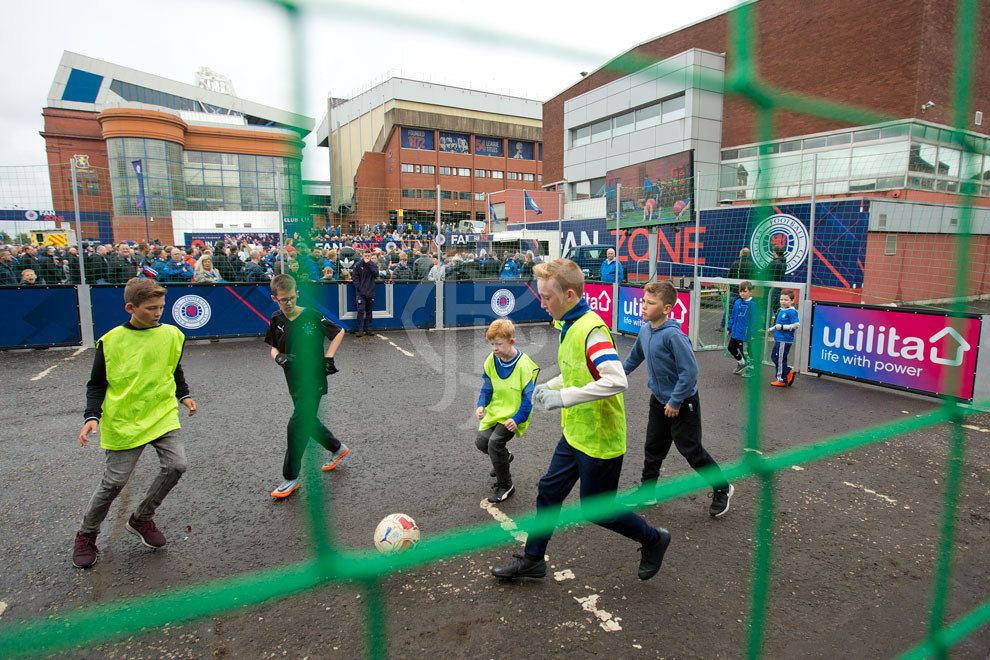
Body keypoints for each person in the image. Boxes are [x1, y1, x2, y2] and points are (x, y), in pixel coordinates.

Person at [492, 259, 671, 582]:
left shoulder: (591, 330)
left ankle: (654, 539)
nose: (542, 303)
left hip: (600, 439)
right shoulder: (569, 325)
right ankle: (533, 560)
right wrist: (553, 385)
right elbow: (578, 371)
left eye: (547, 297)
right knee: (548, 490)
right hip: (576, 431)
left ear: (570, 295)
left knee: (595, 509)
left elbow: (617, 380)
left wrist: (563, 398)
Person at [72, 278, 197, 569]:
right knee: (114, 482)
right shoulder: (111, 341)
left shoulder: (172, 335)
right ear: (131, 307)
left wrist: (185, 395)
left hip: (162, 414)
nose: (157, 313)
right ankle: (86, 535)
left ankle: (141, 518)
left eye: (161, 307)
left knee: (177, 465)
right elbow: (96, 384)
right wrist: (92, 416)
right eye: (150, 308)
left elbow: (173, 369)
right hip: (124, 420)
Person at [624, 281, 735, 517]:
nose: (643, 306)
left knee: (691, 450)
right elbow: (634, 358)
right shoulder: (645, 330)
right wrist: (615, 377)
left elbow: (690, 372)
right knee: (653, 447)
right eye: (643, 301)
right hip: (659, 400)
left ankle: (722, 487)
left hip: (683, 403)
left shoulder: (673, 335)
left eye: (650, 303)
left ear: (667, 309)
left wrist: (675, 401)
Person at [264, 274, 349, 498]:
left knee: (297, 426)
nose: (289, 303)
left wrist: (329, 358)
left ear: (297, 294)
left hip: (314, 380)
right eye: (283, 299)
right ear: (275, 298)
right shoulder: (276, 320)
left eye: (292, 297)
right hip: (293, 381)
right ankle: (337, 448)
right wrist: (278, 358)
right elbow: (272, 347)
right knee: (308, 421)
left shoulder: (311, 315)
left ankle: (290, 478)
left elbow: (338, 331)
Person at [475, 319, 539, 503]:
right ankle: (504, 457)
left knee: (494, 444)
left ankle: (506, 485)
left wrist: (518, 418)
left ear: (512, 341)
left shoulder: (523, 365)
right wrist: (481, 405)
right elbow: (487, 387)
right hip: (496, 411)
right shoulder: (491, 360)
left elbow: (529, 398)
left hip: (514, 414)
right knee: (481, 442)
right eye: (492, 344)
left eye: (499, 344)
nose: (494, 348)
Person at [768, 289, 800, 387]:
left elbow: (796, 324)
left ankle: (781, 379)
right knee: (774, 357)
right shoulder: (781, 310)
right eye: (781, 299)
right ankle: (788, 371)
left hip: (784, 340)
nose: (783, 302)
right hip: (778, 339)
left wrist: (782, 327)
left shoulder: (791, 312)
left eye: (786, 300)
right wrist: (772, 328)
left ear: (792, 301)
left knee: (780, 359)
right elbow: (778, 324)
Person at [727, 281, 757, 377]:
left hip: (747, 332)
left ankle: (752, 369)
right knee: (731, 347)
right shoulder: (737, 302)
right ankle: (742, 363)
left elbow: (754, 320)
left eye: (745, 291)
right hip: (736, 331)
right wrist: (729, 327)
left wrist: (753, 333)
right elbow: (733, 316)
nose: (742, 293)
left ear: (750, 292)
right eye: (741, 291)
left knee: (750, 351)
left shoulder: (753, 305)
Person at [351, 249, 378, 336]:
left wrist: (369, 263)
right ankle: (360, 329)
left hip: (370, 291)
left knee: (369, 311)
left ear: (370, 256)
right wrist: (359, 288)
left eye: (368, 256)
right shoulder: (358, 265)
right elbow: (355, 278)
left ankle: (368, 329)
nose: (367, 258)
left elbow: (376, 274)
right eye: (365, 256)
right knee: (361, 310)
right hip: (360, 293)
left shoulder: (373, 265)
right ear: (362, 256)